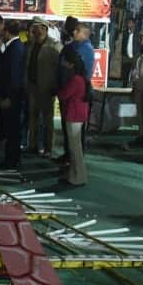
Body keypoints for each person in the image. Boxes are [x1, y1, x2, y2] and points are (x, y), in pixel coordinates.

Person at [0, 21, 27, 169]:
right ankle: (11, 158)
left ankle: (11, 160)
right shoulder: (14, 47)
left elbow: (13, 75)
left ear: (7, 32)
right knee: (9, 128)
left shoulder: (15, 48)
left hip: (12, 96)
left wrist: (8, 97)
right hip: (11, 94)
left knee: (12, 129)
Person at [57, 41, 91, 186]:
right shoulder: (82, 78)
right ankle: (74, 175)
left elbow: (64, 95)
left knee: (75, 149)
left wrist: (58, 91)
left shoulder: (76, 79)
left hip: (74, 114)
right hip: (78, 114)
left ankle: (79, 177)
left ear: (71, 64)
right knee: (74, 148)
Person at [24, 20, 61, 155]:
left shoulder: (54, 45)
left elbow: (60, 68)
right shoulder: (32, 45)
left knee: (47, 120)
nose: (35, 31)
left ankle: (48, 148)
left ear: (44, 29)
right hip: (32, 87)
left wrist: (55, 86)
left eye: (37, 28)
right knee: (32, 118)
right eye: (34, 28)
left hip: (47, 88)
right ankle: (32, 145)